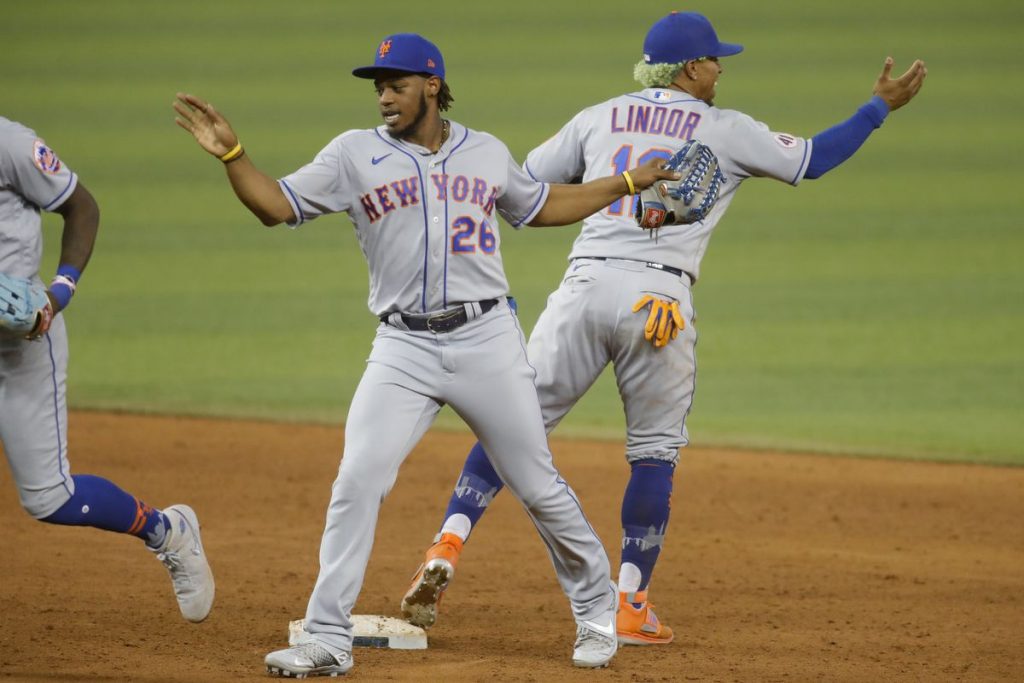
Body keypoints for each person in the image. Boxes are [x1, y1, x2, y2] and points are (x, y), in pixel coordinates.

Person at [400, 10, 927, 647]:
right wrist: (878, 107)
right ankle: (630, 605)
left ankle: (447, 544)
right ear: (689, 69)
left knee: (513, 425)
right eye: (714, 60)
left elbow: (528, 183)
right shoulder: (725, 128)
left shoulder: (598, 115)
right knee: (653, 451)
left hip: (582, 289)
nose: (721, 69)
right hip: (659, 299)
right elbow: (814, 160)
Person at [173, 32, 679, 677]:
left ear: (432, 86)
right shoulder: (352, 155)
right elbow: (277, 206)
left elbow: (545, 206)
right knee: (358, 479)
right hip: (402, 346)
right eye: (378, 85)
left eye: (397, 84)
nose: (384, 96)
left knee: (536, 483)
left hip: (487, 339)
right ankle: (328, 638)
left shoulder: (487, 152)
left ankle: (595, 611)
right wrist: (234, 156)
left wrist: (629, 180)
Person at [0, 117, 215, 623]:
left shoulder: (9, 144)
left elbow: (81, 206)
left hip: (24, 339)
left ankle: (166, 530)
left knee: (50, 498)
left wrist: (59, 293)